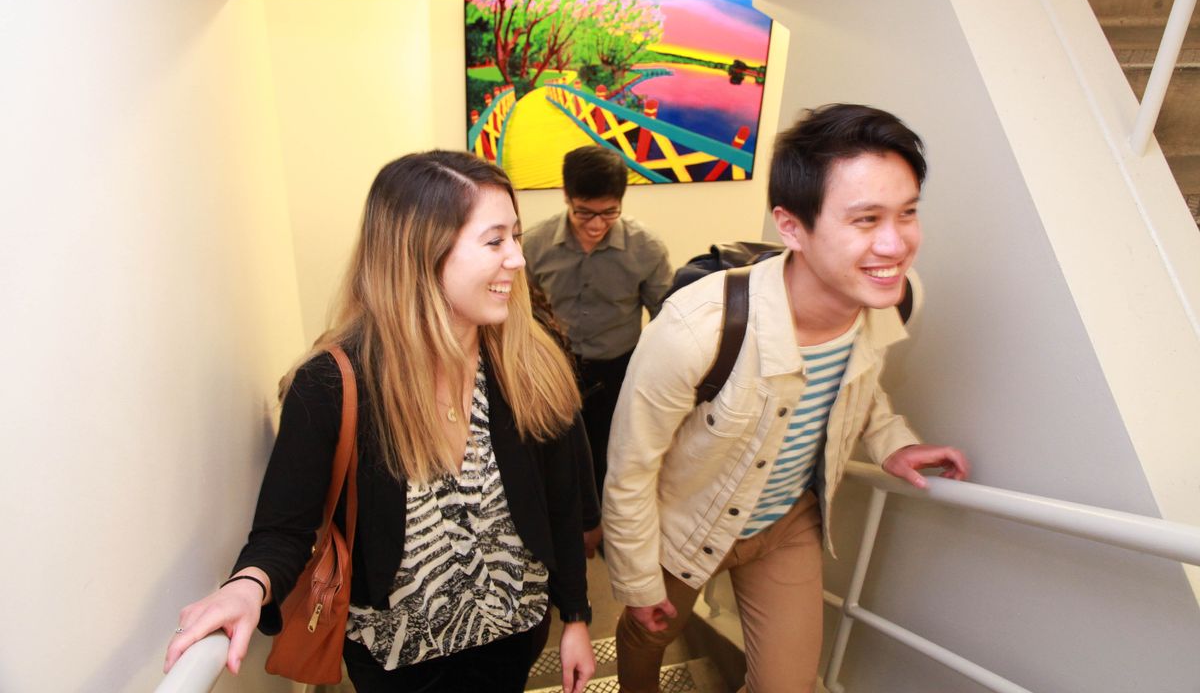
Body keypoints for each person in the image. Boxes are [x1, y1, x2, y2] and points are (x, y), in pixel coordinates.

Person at [164, 151, 596, 692]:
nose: (517, 259)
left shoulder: (528, 361)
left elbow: (562, 503)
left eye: (516, 236)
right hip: (398, 659)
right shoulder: (331, 385)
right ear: (421, 254)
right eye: (494, 241)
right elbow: (283, 529)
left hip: (514, 632)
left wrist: (575, 617)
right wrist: (247, 587)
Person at [601, 104, 970, 693]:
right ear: (791, 227)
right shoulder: (697, 328)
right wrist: (639, 582)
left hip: (786, 525)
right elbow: (629, 468)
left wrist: (892, 442)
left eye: (907, 214)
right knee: (647, 633)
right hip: (686, 522)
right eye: (866, 219)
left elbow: (859, 384)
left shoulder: (893, 296)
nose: (896, 244)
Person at [522, 144, 672, 520]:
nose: (594, 225)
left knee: (614, 452)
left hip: (618, 368)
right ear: (566, 196)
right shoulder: (534, 245)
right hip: (554, 367)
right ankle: (565, 522)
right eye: (583, 212)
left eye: (608, 214)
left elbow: (667, 319)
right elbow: (519, 312)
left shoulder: (646, 248)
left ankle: (606, 525)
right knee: (555, 451)